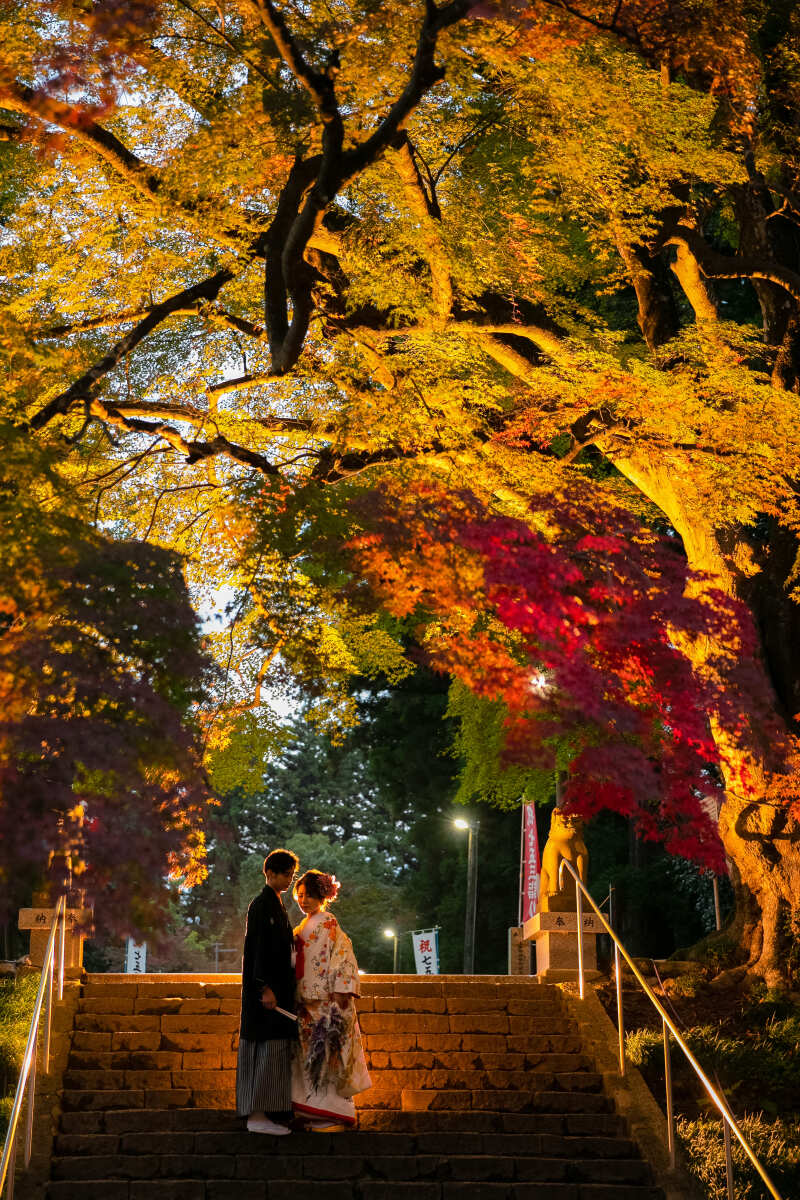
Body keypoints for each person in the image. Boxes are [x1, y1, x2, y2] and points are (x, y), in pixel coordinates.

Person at [291, 869, 371, 1130]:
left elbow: (343, 956)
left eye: (310, 896)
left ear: (322, 896)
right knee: (310, 1057)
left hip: (326, 1000)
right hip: (305, 1001)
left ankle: (332, 1113)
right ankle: (313, 1111)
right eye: (300, 895)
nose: (304, 901)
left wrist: (342, 988)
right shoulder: (303, 926)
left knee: (326, 1055)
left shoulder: (329, 922)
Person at [237, 847, 299, 1135]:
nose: (289, 880)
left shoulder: (276, 904)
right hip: (265, 994)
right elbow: (257, 950)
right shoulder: (261, 904)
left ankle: (268, 1113)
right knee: (263, 1051)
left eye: (291, 875)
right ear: (270, 873)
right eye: (285, 874)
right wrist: (263, 987)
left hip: (278, 991)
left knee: (273, 1052)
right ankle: (257, 1115)